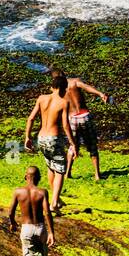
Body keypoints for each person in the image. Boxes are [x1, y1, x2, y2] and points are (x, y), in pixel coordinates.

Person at [23, 71, 76, 211]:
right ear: (64, 89)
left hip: (41, 138)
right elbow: (65, 125)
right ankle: (54, 204)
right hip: (54, 139)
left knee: (50, 167)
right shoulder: (64, 102)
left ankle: (55, 199)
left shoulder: (41, 98)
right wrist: (73, 143)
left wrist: (27, 137)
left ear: (52, 87)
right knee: (60, 171)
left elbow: (31, 118)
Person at [7, 165, 55, 256]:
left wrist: (13, 223)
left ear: (25, 176)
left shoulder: (18, 192)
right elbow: (47, 212)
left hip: (27, 229)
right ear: (39, 178)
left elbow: (10, 212)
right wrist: (51, 232)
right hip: (40, 228)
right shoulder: (42, 192)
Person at [61, 73, 109, 181]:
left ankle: (67, 173)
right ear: (64, 75)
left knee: (73, 145)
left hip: (72, 118)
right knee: (92, 145)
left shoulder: (58, 88)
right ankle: (97, 175)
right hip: (84, 115)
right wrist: (100, 94)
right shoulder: (74, 81)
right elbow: (86, 87)